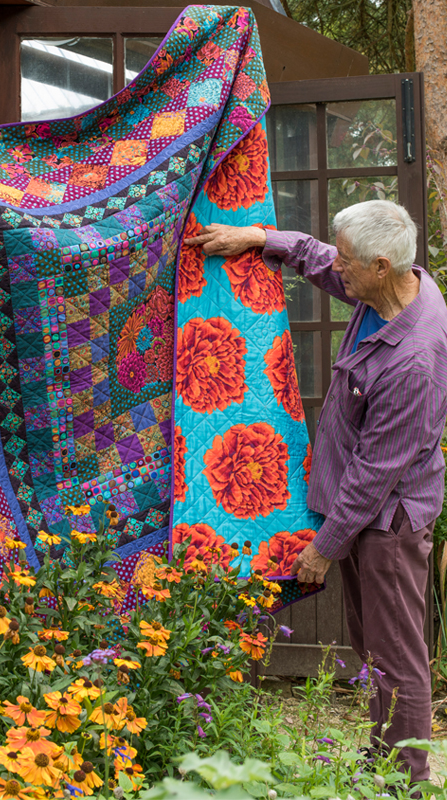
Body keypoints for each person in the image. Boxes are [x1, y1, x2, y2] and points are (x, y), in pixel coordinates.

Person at [185, 200, 447, 784]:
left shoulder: (414, 361)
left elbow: (373, 476)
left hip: (387, 524)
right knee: (374, 646)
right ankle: (382, 761)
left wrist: (323, 548)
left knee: (397, 654)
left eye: (350, 262)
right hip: (368, 513)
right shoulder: (388, 288)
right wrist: (259, 237)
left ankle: (405, 779)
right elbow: (321, 259)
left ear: (381, 266)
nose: (339, 268)